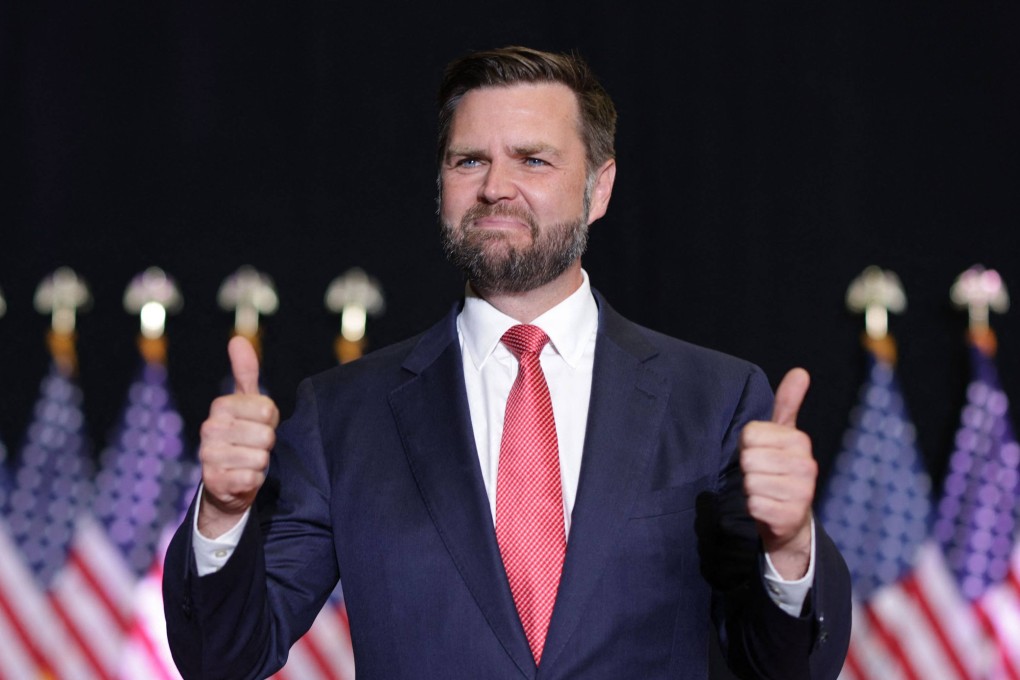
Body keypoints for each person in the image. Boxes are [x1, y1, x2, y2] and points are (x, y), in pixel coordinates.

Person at [163, 46, 851, 679]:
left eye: (533, 160)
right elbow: (224, 659)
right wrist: (223, 515)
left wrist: (789, 547)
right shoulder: (343, 415)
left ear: (599, 187)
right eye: (469, 161)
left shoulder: (716, 400)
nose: (496, 187)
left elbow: (786, 666)